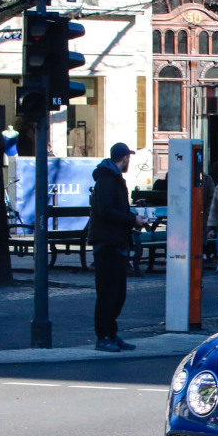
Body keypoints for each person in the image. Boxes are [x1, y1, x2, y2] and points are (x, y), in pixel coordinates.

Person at [89, 142, 148, 352]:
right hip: (108, 243)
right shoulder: (107, 180)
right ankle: (103, 336)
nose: (129, 162)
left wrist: (132, 219)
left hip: (115, 241)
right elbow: (105, 210)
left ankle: (111, 334)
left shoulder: (112, 178)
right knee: (108, 292)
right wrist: (132, 219)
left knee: (117, 293)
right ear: (124, 158)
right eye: (128, 158)